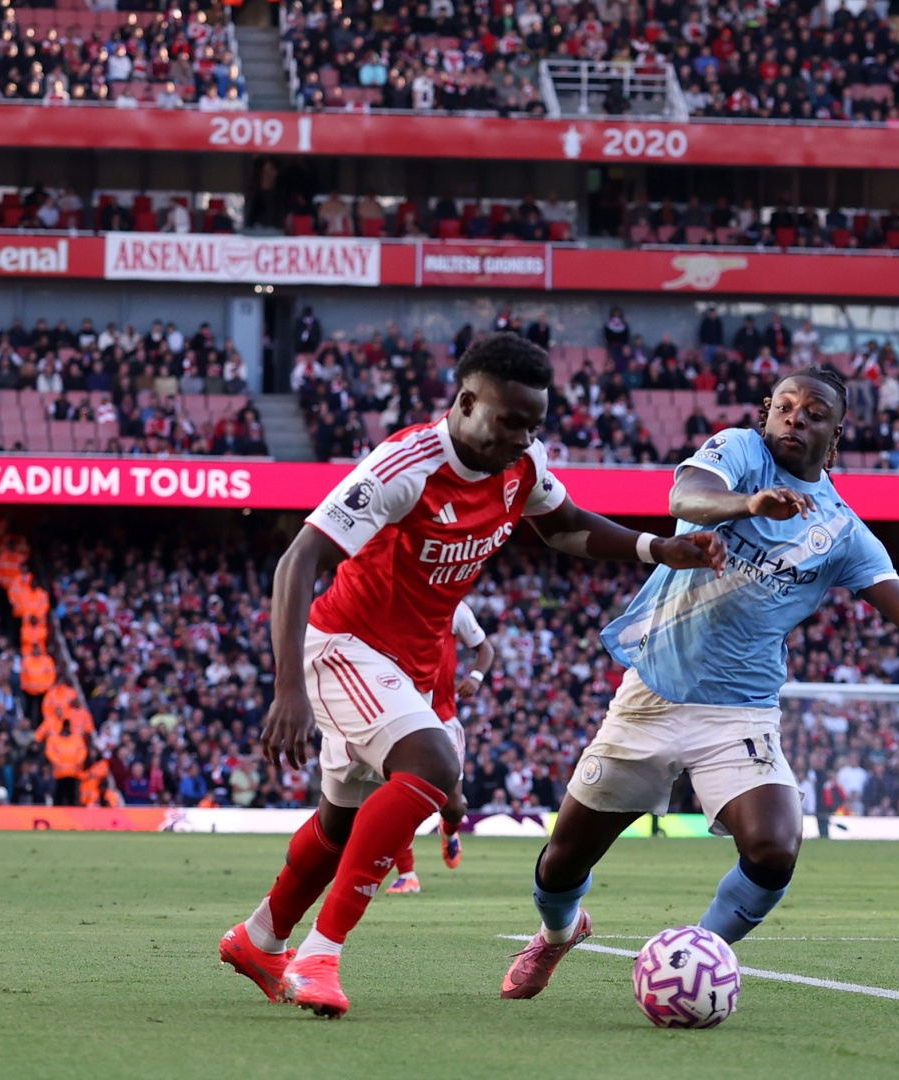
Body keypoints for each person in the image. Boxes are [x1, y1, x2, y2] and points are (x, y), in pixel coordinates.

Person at [218, 334, 725, 1018]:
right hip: (345, 644)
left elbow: (565, 526)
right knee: (433, 765)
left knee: (341, 826)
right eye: (509, 421)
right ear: (464, 403)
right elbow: (298, 560)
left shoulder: (523, 465)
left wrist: (656, 546)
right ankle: (319, 957)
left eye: (533, 425)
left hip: (415, 666)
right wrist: (287, 689)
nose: (522, 438)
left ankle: (260, 938)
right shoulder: (406, 466)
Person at [499, 367, 899, 999]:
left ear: (835, 435)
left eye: (812, 413)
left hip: (739, 713)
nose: (794, 419)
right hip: (651, 697)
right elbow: (686, 500)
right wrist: (747, 504)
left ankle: (695, 959)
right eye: (784, 407)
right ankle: (558, 934)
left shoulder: (841, 530)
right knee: (564, 861)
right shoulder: (739, 452)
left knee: (775, 846)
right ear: (767, 412)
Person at [384, 600, 496, 895]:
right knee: (398, 799)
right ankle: (407, 874)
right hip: (403, 719)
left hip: (444, 720)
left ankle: (449, 830)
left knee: (453, 804)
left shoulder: (453, 606)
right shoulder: (390, 606)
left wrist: (475, 676)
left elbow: (486, 648)